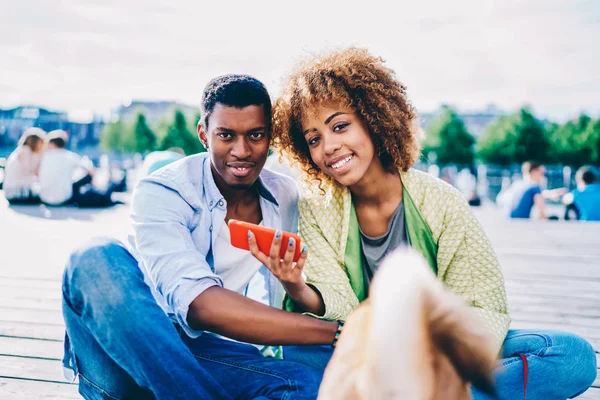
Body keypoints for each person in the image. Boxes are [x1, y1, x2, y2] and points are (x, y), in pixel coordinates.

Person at [271, 47, 597, 399]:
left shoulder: (441, 200)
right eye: (314, 139)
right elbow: (339, 308)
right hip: (358, 348)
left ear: (374, 119)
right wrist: (296, 286)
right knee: (299, 353)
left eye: (339, 126)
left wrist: (435, 356)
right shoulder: (317, 209)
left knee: (570, 356)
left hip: (439, 349)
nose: (329, 146)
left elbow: (482, 305)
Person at [62, 74, 341, 400]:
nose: (242, 151)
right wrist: (338, 333)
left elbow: (277, 298)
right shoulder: (163, 190)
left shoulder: (284, 195)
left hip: (200, 354)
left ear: (271, 137)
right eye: (226, 135)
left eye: (255, 135)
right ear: (203, 135)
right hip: (121, 351)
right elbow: (199, 306)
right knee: (95, 257)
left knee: (308, 384)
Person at [39, 130, 122, 207]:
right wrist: (93, 181)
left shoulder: (44, 157)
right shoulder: (69, 156)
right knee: (86, 177)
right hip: (64, 198)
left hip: (44, 198)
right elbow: (90, 169)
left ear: (52, 144)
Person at [3, 127, 46, 204]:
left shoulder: (22, 150)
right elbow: (32, 170)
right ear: (35, 142)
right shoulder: (25, 151)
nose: (43, 146)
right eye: (41, 142)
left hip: (15, 192)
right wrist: (41, 157)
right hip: (17, 193)